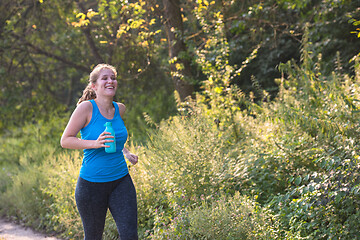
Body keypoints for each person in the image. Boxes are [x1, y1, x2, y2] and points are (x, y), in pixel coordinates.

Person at [60, 63, 138, 240]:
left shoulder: (120, 108)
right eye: (105, 78)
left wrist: (125, 152)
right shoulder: (86, 108)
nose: (110, 81)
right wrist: (95, 144)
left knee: (130, 235)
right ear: (94, 86)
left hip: (121, 181)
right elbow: (65, 140)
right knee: (94, 237)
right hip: (91, 186)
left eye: (113, 78)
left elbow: (114, 136)